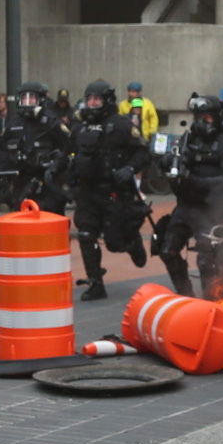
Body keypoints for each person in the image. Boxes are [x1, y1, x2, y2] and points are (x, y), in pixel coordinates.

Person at [154, 93, 223, 298]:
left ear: (217, 117)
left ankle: (212, 302)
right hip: (186, 207)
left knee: (207, 260)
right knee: (167, 250)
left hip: (211, 209)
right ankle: (186, 296)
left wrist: (196, 181)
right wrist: (166, 162)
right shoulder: (187, 140)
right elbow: (171, 161)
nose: (203, 121)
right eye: (199, 116)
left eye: (208, 117)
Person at [68, 78, 149, 300]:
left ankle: (131, 242)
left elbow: (143, 152)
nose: (93, 103)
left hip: (113, 191)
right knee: (85, 234)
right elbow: (67, 153)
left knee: (114, 243)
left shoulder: (121, 126)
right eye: (89, 99)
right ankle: (95, 282)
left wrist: (129, 169)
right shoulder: (80, 128)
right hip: (87, 192)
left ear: (107, 100)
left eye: (97, 99)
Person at [1, 82, 68, 214]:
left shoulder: (51, 121)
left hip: (47, 183)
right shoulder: (14, 123)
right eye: (23, 98)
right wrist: (4, 183)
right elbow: (1, 151)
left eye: (31, 98)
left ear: (40, 100)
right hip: (21, 182)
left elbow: (68, 145)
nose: (27, 102)